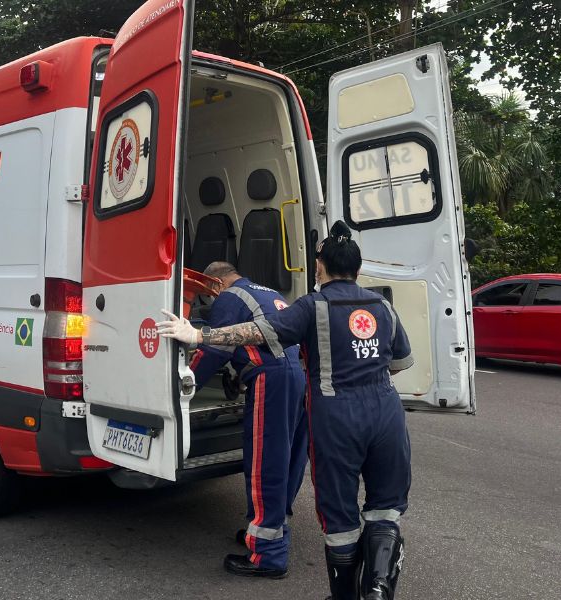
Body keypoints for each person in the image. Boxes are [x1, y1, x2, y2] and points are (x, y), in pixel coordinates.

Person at [159, 221, 414, 600]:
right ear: (358, 270)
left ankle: (341, 593)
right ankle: (376, 589)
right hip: (387, 414)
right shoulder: (384, 307)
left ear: (319, 267)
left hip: (338, 416)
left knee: (340, 519)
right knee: (385, 509)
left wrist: (199, 335)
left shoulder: (312, 307)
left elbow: (254, 333)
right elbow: (399, 363)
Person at [190, 261, 307, 579]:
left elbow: (215, 347)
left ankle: (268, 556)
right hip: (297, 376)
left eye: (209, 294)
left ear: (216, 283)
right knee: (284, 463)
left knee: (265, 464)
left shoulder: (230, 297)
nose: (211, 302)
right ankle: (266, 534)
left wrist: (184, 388)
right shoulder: (269, 292)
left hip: (273, 380)